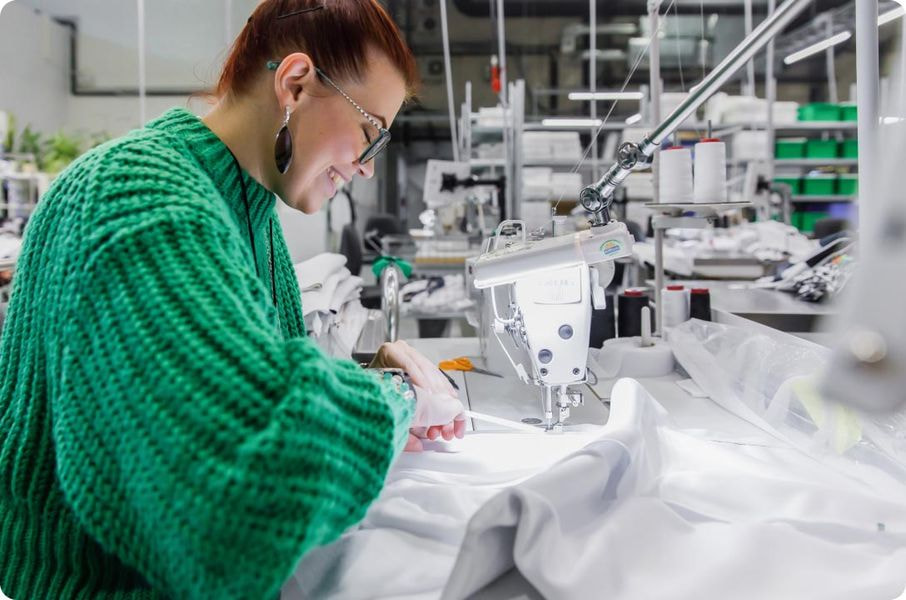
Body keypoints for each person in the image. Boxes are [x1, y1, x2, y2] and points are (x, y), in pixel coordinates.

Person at [0, 1, 465, 598]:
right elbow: (244, 476)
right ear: (295, 84)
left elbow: (210, 378)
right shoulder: (138, 195)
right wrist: (395, 401)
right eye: (370, 134)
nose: (367, 169)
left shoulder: (248, 216)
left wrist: (362, 373)